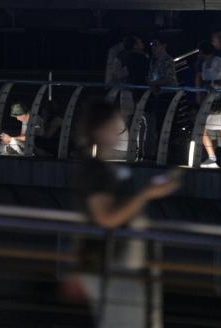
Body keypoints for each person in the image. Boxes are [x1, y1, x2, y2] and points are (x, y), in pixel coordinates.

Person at [75, 102, 180, 328]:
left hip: (120, 262)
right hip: (112, 264)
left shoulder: (107, 168)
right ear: (99, 129)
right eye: (114, 124)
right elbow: (107, 218)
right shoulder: (96, 171)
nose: (119, 129)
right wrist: (147, 194)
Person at [196, 41, 221, 168]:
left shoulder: (218, 61)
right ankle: (212, 157)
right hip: (209, 97)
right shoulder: (204, 64)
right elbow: (204, 80)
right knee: (202, 126)